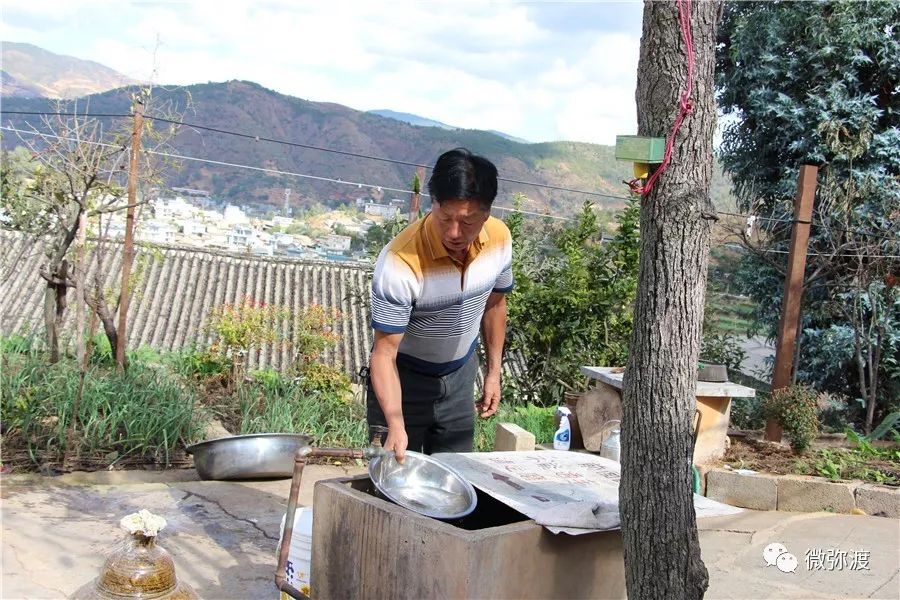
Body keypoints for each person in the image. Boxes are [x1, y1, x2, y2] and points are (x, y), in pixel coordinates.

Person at [367, 147, 513, 462]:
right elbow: (383, 353)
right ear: (433, 204)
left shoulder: (500, 238)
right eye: (445, 218)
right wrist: (394, 421)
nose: (454, 233)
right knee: (394, 480)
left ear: (487, 213)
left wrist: (493, 372)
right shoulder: (400, 262)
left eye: (468, 221)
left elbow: (495, 306)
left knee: (456, 477)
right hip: (403, 380)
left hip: (461, 377)